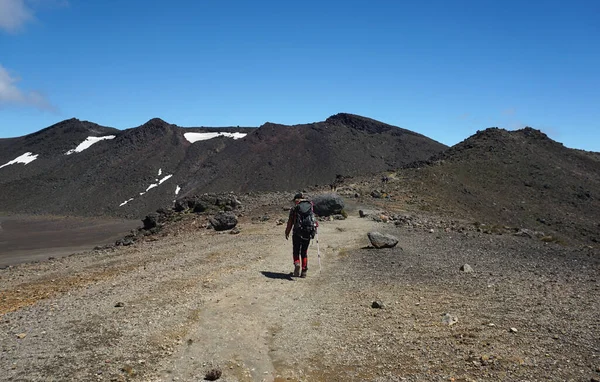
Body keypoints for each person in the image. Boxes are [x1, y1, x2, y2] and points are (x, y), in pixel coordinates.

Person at [285, 192, 317, 278]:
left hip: (297, 232)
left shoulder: (294, 208)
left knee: (296, 250)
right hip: (308, 231)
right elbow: (314, 219)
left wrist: (287, 232)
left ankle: (297, 263)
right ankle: (304, 271)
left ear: (296, 200)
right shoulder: (310, 206)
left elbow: (290, 222)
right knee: (304, 251)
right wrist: (314, 230)